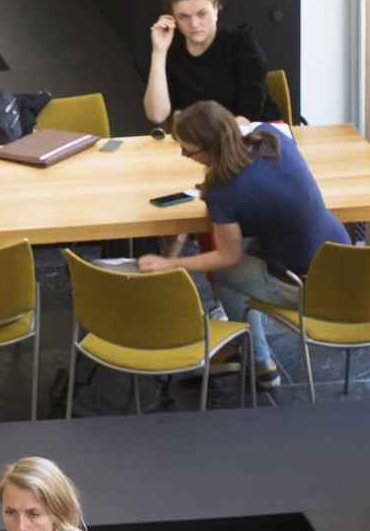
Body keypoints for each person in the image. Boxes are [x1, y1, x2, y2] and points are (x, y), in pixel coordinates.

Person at [137, 99, 350, 391]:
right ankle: (253, 346)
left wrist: (170, 263)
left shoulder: (223, 192)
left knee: (226, 273)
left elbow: (227, 256)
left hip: (312, 289)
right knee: (251, 241)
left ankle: (260, 361)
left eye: (188, 150)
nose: (185, 155)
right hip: (346, 264)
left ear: (210, 148)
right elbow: (241, 122)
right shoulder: (272, 137)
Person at [144, 0, 270, 127]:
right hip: (199, 145)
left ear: (216, 10)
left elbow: (248, 115)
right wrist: (159, 53)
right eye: (184, 17)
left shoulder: (241, 42)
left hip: (248, 138)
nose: (194, 24)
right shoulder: (171, 51)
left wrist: (210, 142)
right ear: (173, 18)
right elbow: (157, 115)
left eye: (202, 14)